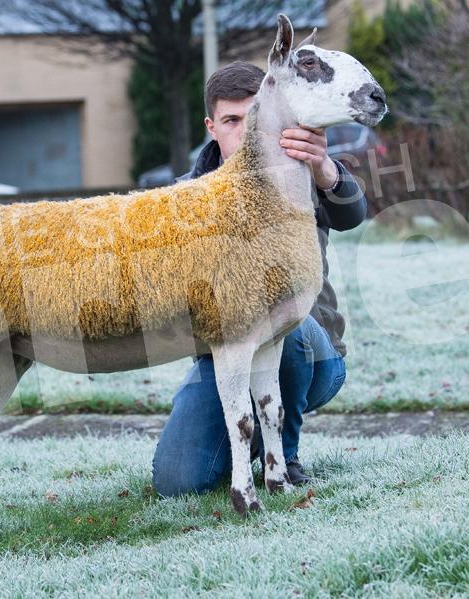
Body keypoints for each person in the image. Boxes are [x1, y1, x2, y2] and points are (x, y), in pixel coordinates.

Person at [151, 61, 367, 495]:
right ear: (211, 127)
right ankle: (242, 440)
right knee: (178, 481)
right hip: (223, 360)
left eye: (254, 116)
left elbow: (353, 214)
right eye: (232, 120)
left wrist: (325, 169)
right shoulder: (183, 195)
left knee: (280, 318)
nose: (245, 129)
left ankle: (280, 459)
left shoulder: (301, 169)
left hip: (313, 354)